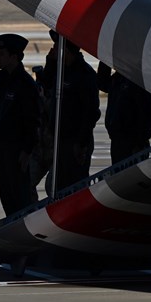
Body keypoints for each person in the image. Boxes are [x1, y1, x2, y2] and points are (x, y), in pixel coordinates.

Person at [0, 33, 42, 217]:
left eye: (2, 54)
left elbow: (33, 119)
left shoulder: (25, 84)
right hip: (3, 144)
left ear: (14, 57)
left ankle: (22, 221)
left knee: (18, 189)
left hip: (18, 146)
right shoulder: (2, 81)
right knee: (6, 188)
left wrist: (27, 150)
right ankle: (12, 220)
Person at [38, 31, 101, 192]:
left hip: (75, 141)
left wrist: (81, 143)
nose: (53, 49)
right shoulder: (61, 71)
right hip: (60, 139)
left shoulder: (84, 75)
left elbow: (90, 112)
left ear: (65, 50)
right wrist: (50, 63)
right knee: (59, 186)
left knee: (74, 185)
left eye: (56, 46)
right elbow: (45, 85)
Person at [97, 62, 151, 165]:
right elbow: (102, 83)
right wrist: (104, 60)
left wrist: (140, 142)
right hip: (117, 139)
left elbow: (146, 112)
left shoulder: (139, 80)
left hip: (132, 142)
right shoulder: (118, 78)